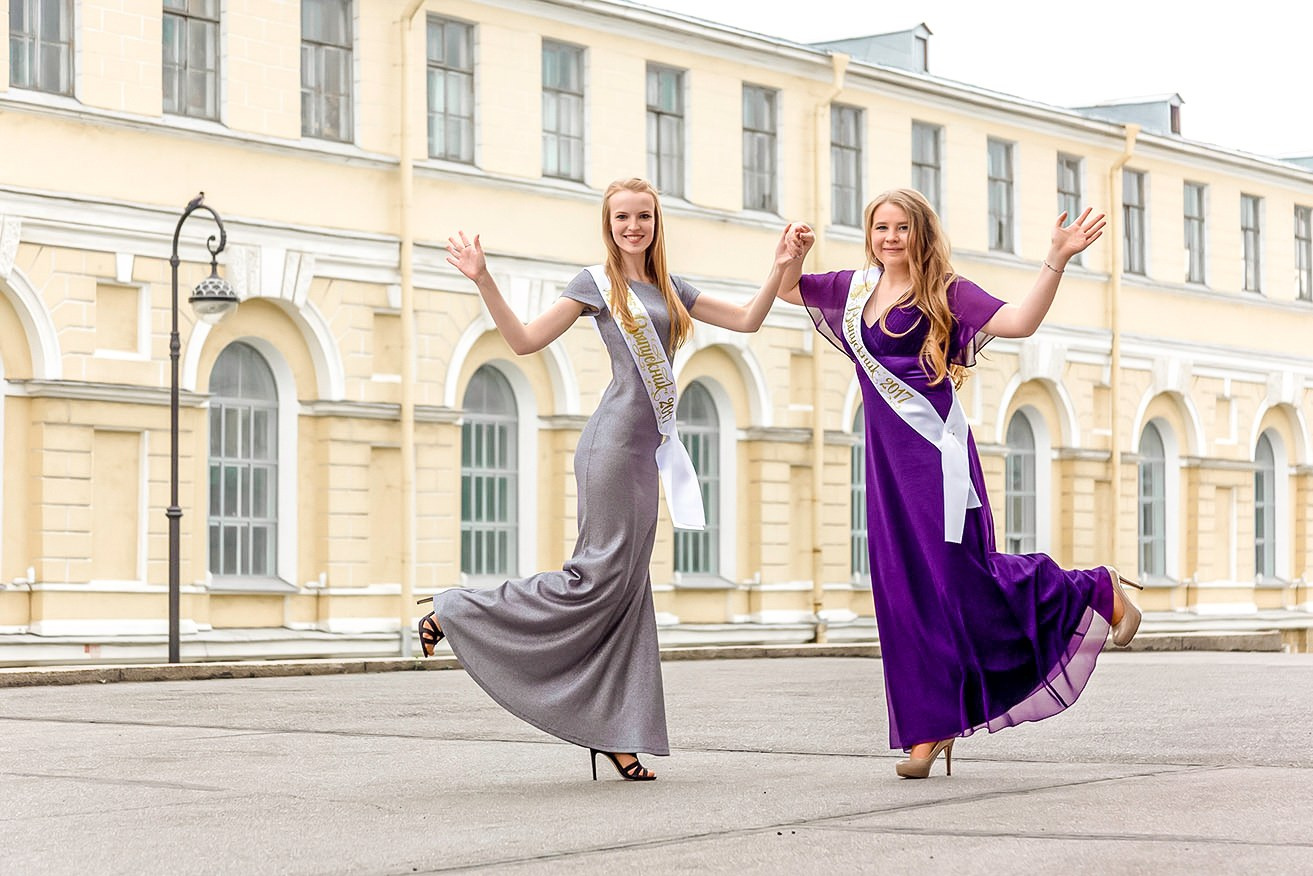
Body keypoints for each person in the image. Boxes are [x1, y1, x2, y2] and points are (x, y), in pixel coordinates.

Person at [420, 177, 808, 782]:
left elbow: (748, 321)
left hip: (646, 453)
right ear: (609, 224)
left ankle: (620, 734)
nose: (633, 227)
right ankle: (457, 610)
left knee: (628, 591)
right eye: (622, 217)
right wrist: (483, 278)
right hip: (610, 447)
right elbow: (524, 342)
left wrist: (783, 264)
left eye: (643, 216)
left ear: (656, 222)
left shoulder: (671, 288)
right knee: (595, 578)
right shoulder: (595, 285)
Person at [779, 188, 1140, 779]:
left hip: (937, 460)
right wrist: (792, 255)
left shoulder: (947, 292)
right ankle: (928, 728)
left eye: (901, 228)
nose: (890, 238)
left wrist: (1057, 257)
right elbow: (790, 290)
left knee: (961, 578)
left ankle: (1094, 588)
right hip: (887, 466)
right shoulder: (854, 289)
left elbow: (1020, 322)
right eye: (880, 227)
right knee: (903, 591)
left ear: (921, 233)